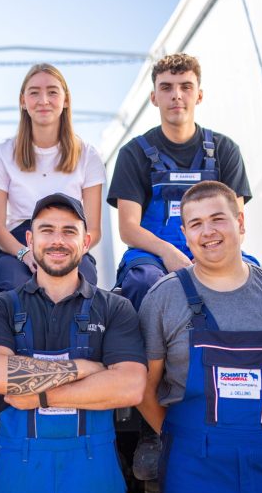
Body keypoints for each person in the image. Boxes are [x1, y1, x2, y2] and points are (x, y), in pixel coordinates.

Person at [137, 181, 262, 493]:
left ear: (240, 222)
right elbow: (144, 389)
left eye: (218, 219)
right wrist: (183, 438)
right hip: (193, 468)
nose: (208, 231)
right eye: (196, 224)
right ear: (184, 233)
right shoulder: (164, 298)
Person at [0, 193, 147, 493]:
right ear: (29, 239)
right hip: (18, 476)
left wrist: (39, 395)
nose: (57, 240)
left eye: (69, 231)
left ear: (86, 241)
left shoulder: (115, 309)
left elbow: (131, 386)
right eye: (47, 230)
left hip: (93, 477)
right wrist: (87, 370)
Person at [107, 53, 254, 311]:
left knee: (253, 278)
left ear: (199, 95)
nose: (176, 95)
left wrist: (206, 256)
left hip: (215, 247)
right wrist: (168, 253)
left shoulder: (225, 150)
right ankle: (153, 351)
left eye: (186, 87)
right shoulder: (134, 153)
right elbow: (128, 229)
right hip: (153, 256)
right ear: (154, 97)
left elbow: (236, 222)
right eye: (166, 87)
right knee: (146, 282)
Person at [0, 63, 105, 292]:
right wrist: (25, 253)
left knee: (82, 285)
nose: (43, 100)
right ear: (22, 101)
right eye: (34, 93)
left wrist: (66, 253)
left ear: (66, 100)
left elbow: (94, 230)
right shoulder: (2, 154)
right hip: (18, 244)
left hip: (70, 241)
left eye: (52, 92)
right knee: (14, 287)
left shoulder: (88, 155)